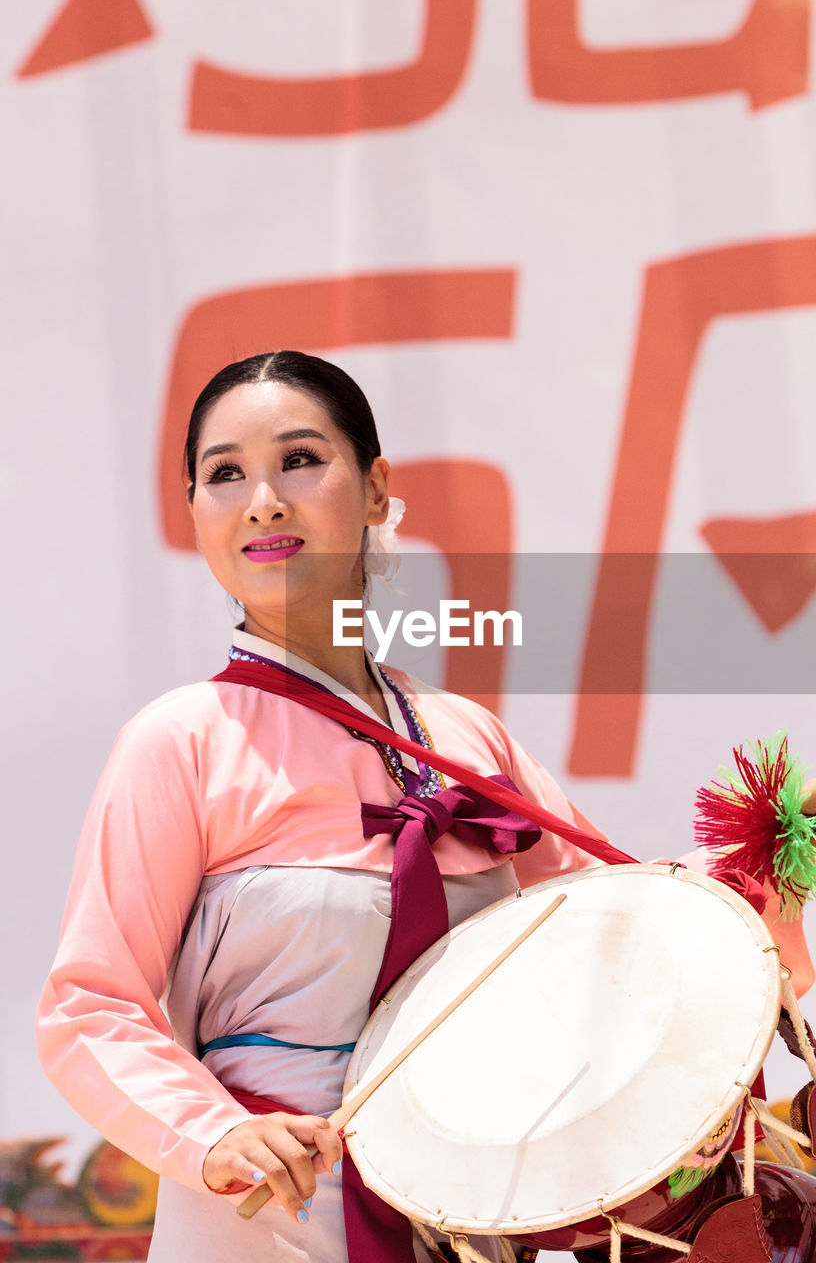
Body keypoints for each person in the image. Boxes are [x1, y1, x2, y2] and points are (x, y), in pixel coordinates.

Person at [36, 350, 609, 1263]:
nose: (263, 499)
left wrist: (762, 859)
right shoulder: (182, 740)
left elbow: (617, 937)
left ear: (377, 488)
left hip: (470, 1216)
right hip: (268, 1216)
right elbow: (87, 1006)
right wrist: (213, 1135)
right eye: (226, 474)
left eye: (300, 459)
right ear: (195, 515)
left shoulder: (469, 740)